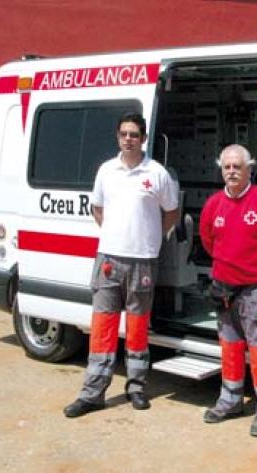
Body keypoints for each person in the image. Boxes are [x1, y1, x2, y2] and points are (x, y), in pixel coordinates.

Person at [64, 113, 179, 418]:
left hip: (143, 261)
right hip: (108, 259)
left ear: (144, 139)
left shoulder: (157, 173)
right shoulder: (106, 171)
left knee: (138, 328)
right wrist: (116, 235)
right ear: (118, 137)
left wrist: (151, 239)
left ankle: (136, 388)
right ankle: (92, 394)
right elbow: (98, 209)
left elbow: (171, 212)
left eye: (134, 134)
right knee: (102, 329)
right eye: (124, 134)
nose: (129, 139)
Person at [199, 144, 257, 437]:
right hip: (224, 288)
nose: (231, 172)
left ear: (248, 169)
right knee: (230, 347)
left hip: (256, 290)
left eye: (237, 167)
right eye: (226, 167)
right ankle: (230, 401)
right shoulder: (213, 204)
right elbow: (207, 241)